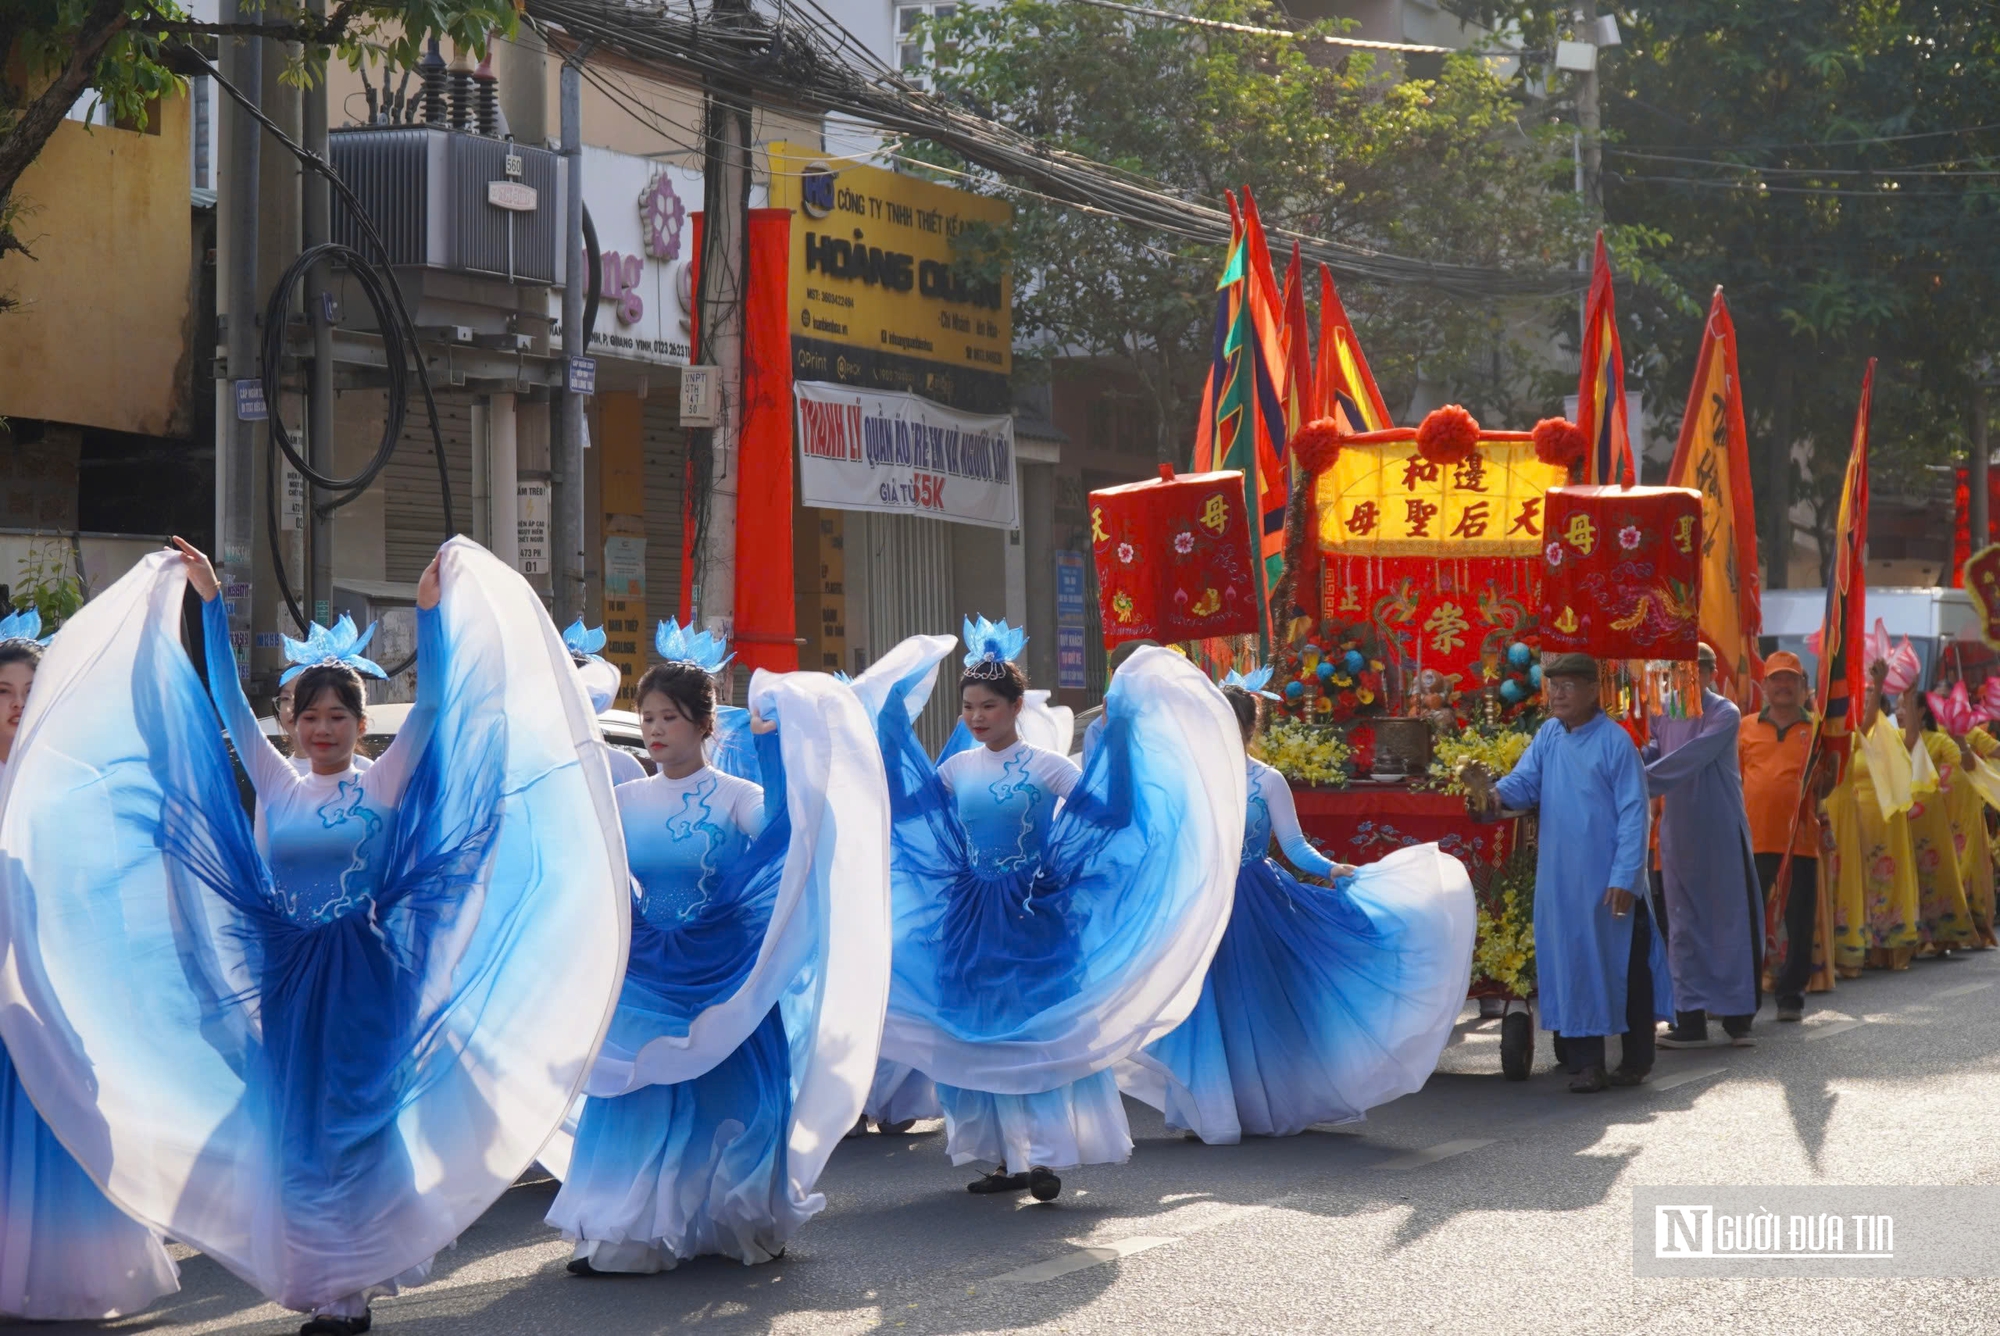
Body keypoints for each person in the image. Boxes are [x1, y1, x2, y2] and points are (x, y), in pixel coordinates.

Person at [0, 538, 629, 1336]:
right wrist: (209, 602)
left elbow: (432, 706)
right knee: (298, 1128)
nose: (321, 728)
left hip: (369, 976)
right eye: (308, 715)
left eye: (337, 716)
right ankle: (324, 1277)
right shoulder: (276, 781)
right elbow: (226, 704)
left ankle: (354, 1281)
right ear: (291, 724)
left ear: (361, 725)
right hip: (288, 974)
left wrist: (430, 614)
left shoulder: (384, 781)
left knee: (359, 1124)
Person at [853, 618, 1240, 1200]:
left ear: (1014, 708)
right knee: (979, 1029)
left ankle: (1046, 1152)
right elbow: (909, 812)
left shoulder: (1045, 765)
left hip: (1032, 914)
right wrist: (887, 733)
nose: (976, 717)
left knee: (1034, 1031)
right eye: (967, 708)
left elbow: (1109, 816)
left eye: (987, 706)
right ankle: (1003, 1155)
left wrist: (1117, 746)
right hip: (970, 916)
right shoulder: (957, 768)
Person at [548, 620, 890, 1274]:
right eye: (645, 717)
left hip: (725, 971)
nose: (653, 729)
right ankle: (627, 1229)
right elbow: (575, 851)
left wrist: (768, 743)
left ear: (705, 725)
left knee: (732, 1098)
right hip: (647, 969)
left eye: (669, 717)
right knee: (635, 1094)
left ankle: (732, 1218)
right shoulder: (621, 798)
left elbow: (789, 838)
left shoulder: (738, 797)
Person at [1123, 669, 1476, 1142]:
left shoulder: (1266, 781)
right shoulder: (1187, 777)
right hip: (1200, 901)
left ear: (1249, 730)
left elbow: (1293, 844)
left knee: (1254, 1003)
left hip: (1253, 902)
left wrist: (1333, 868)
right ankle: (1209, 1108)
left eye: (1229, 724)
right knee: (1204, 1006)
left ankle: (1257, 1105)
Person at [0, 610, 182, 1321]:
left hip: (51, 978)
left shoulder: (74, 784)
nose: (17, 708)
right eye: (3, 693)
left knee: (60, 1118)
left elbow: (105, 885)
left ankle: (68, 1269)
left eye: (30, 692)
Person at [1475, 653, 1670, 1094]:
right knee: (1574, 962)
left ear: (1592, 691)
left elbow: (1635, 813)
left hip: (1608, 880)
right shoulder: (1549, 736)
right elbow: (1524, 784)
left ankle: (1637, 1057)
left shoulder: (1616, 743)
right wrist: (1489, 795)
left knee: (1625, 966)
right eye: (1554, 685)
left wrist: (1625, 875)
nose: (1558, 693)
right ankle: (1587, 1063)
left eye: (1568, 685)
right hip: (1562, 878)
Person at [1645, 644, 1764, 1049]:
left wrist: (1637, 780)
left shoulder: (1723, 713)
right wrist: (1621, 759)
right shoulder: (1660, 712)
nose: (1688, 680)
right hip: (1680, 834)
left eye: (1698, 671)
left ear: (1713, 675)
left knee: (1728, 921)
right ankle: (1690, 1020)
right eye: (1681, 672)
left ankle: (1737, 1018)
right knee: (1683, 926)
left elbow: (1688, 758)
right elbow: (1654, 752)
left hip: (1720, 832)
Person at [1737, 651, 1834, 1021]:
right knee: (1749, 922)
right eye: (1776, 679)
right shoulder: (1744, 727)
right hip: (1753, 839)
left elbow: (1824, 789)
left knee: (1798, 921)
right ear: (1764, 687)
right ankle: (1743, 1001)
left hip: (1801, 840)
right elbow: (1733, 780)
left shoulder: (1819, 730)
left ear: (1803, 687)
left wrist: (1828, 776)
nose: (1783, 686)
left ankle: (1791, 996)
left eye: (1790, 680)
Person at [1826, 664, 1921, 973]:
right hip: (1857, 818)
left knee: (1885, 879)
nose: (1866, 702)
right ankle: (1860, 946)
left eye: (1871, 698)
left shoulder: (1887, 734)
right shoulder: (1847, 734)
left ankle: (1888, 946)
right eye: (1862, 698)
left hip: (1886, 819)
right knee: (1857, 882)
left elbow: (1911, 741)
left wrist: (1906, 694)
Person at [1900, 689, 1976, 956]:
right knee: (1908, 875)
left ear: (1920, 712)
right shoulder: (1897, 738)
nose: (1899, 712)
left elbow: (1967, 764)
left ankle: (1943, 935)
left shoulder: (1939, 741)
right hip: (1902, 816)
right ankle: (1912, 936)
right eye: (1898, 707)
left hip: (1930, 817)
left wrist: (1961, 740)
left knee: (1935, 874)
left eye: (1905, 706)